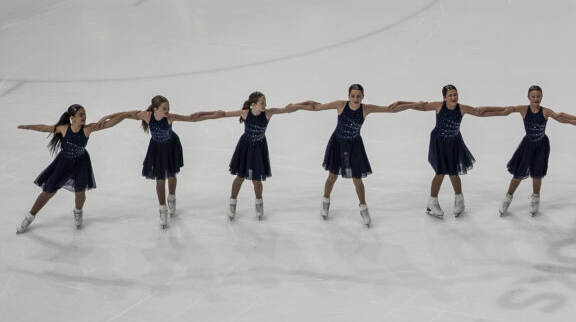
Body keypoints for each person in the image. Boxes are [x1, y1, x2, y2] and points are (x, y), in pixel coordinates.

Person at [293, 84, 422, 226]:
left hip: (355, 146)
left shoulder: (366, 108)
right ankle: (325, 200)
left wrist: (413, 104)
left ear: (363, 97)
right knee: (332, 176)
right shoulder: (340, 105)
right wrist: (297, 106)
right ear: (348, 96)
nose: (356, 99)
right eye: (353, 96)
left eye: (358, 96)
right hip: (337, 143)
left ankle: (363, 207)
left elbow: (391, 110)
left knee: (357, 179)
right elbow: (316, 107)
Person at [390, 85, 509, 218]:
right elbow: (420, 106)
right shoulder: (438, 106)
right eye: (450, 95)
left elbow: (480, 112)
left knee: (453, 173)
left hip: (454, 143)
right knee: (440, 173)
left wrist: (503, 110)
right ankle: (432, 202)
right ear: (444, 97)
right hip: (439, 143)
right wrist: (401, 102)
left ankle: (459, 201)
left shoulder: (462, 108)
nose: (453, 97)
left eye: (455, 94)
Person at [16, 105, 135, 233]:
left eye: (84, 114)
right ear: (72, 118)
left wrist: (126, 114)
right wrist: (28, 127)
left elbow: (109, 124)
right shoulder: (64, 129)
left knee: (80, 192)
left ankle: (78, 211)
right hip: (63, 164)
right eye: (80, 115)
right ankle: (30, 216)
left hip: (81, 162)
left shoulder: (88, 129)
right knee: (48, 191)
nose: (84, 117)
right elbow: (45, 128)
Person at [190, 92, 302, 220]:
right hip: (245, 148)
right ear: (253, 105)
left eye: (265, 102)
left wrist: (297, 105)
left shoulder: (268, 113)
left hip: (259, 149)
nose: (265, 105)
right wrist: (202, 113)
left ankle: (259, 202)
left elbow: (288, 109)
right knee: (240, 176)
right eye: (262, 103)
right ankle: (233, 201)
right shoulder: (245, 113)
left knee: (257, 179)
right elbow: (221, 114)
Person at [495, 85, 576, 217]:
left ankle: (535, 198)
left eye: (538, 96)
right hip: (527, 146)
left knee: (537, 174)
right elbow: (507, 109)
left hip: (541, 145)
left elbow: (559, 117)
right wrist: (494, 110)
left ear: (542, 97)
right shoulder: (523, 109)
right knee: (518, 173)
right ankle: (508, 197)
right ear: (528, 97)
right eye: (533, 96)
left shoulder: (546, 111)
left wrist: (574, 121)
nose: (536, 98)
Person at [123, 95, 207, 227]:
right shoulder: (147, 116)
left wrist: (214, 114)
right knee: (160, 179)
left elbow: (191, 119)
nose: (167, 110)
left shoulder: (170, 117)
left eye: (168, 108)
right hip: (156, 149)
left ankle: (172, 197)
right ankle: (162, 208)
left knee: (172, 174)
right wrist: (107, 117)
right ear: (156, 109)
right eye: (164, 108)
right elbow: (127, 114)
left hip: (171, 146)